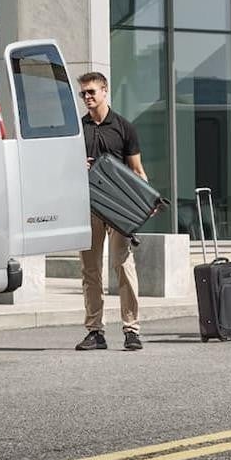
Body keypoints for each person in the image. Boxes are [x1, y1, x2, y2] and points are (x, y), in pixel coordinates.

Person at [75, 72, 148, 351]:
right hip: (89, 207)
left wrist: (144, 205)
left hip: (118, 209)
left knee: (123, 265)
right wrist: (75, 166)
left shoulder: (124, 128)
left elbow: (138, 171)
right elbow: (62, 170)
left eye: (91, 91)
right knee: (90, 270)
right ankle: (95, 331)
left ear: (105, 91)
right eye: (83, 93)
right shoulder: (77, 129)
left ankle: (131, 329)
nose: (87, 97)